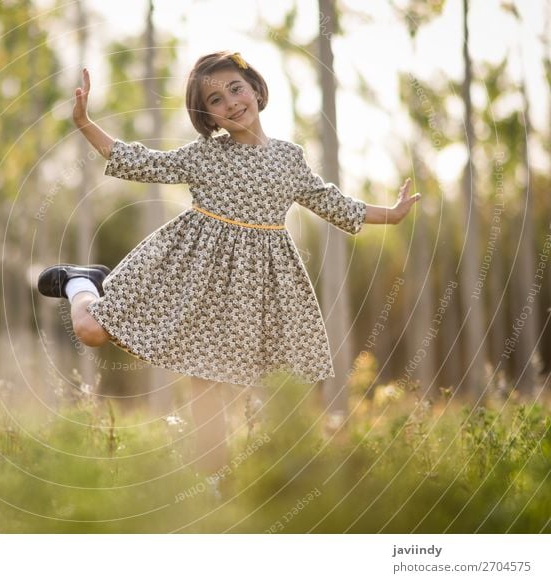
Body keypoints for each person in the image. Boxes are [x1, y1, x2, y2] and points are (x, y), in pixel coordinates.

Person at [37, 50, 420, 492]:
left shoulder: (289, 159)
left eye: (235, 88)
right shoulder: (205, 156)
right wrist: (84, 122)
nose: (230, 101)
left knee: (223, 387)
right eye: (215, 100)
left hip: (253, 291)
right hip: (189, 276)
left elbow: (334, 203)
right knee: (90, 330)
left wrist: (391, 214)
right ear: (209, 118)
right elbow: (140, 161)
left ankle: (213, 485)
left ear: (256, 89)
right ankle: (82, 281)